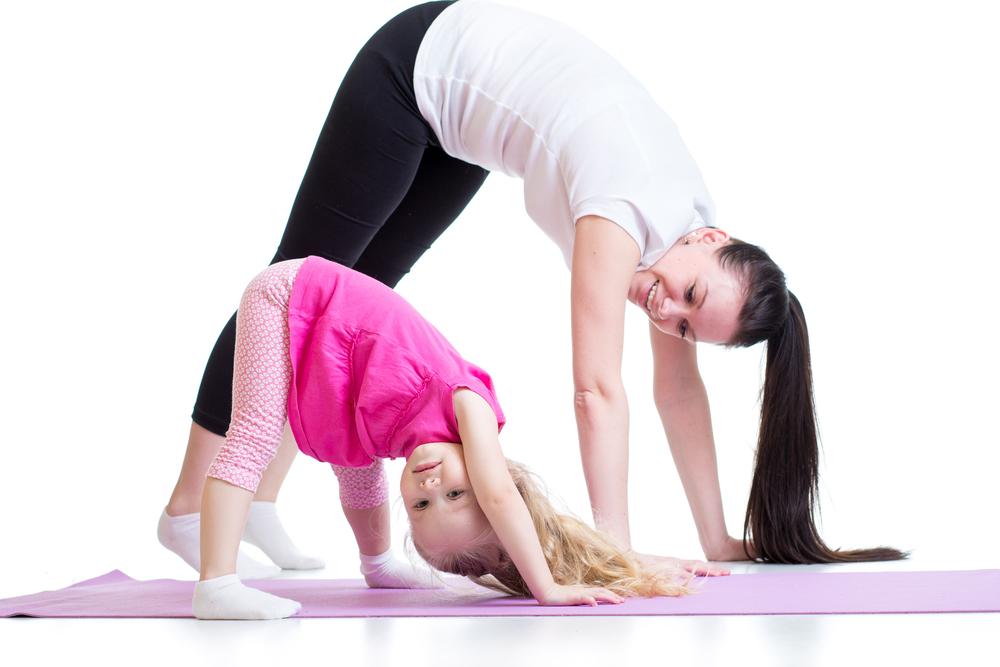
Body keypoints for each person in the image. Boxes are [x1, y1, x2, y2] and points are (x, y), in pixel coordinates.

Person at [163, 0, 904, 574]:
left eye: (683, 325)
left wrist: (715, 537)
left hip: (460, 128)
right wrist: (616, 548)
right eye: (689, 298)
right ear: (714, 242)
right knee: (297, 285)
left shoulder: (684, 233)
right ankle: (190, 508)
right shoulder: (624, 211)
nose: (665, 310)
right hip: (411, 70)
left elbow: (677, 392)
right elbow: (597, 390)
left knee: (348, 298)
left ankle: (258, 496)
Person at [192, 256, 690, 620]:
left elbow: (361, 483)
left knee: (359, 462)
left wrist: (380, 563)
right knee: (254, 434)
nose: (428, 488)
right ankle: (216, 581)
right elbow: (498, 496)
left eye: (421, 508)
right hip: (290, 294)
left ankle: (378, 561)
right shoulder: (469, 402)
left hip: (328, 342)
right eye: (455, 493)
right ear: (491, 478)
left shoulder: (409, 439)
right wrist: (547, 587)